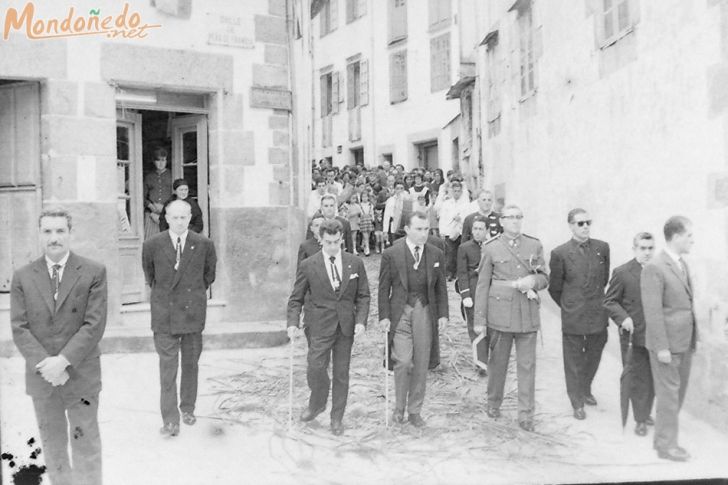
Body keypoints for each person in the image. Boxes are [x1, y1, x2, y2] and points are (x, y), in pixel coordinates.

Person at [11, 208, 107, 485]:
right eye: (48, 231)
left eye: (60, 231)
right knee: (53, 448)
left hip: (81, 375)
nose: (54, 238)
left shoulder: (93, 272)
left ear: (70, 233)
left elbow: (94, 325)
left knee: (86, 444)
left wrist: (63, 361)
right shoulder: (23, 276)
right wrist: (47, 365)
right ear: (40, 235)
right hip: (42, 377)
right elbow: (19, 327)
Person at [287, 219, 370, 436]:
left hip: (345, 326)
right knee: (315, 367)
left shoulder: (355, 263)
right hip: (319, 326)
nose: (333, 247)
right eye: (328, 242)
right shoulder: (309, 265)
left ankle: (336, 418)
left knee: (341, 374)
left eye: (336, 242)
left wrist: (361, 321)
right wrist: (293, 323)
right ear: (320, 239)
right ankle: (317, 403)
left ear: (342, 239)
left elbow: (363, 295)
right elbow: (296, 298)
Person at [142, 199, 217, 437]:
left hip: (192, 313)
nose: (179, 222)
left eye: (184, 217)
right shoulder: (152, 244)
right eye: (174, 217)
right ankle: (170, 420)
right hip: (164, 315)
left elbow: (209, 276)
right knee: (167, 369)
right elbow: (150, 276)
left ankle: (188, 408)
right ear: (166, 218)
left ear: (189, 218)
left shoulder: (203, 244)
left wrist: (192, 295)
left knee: (190, 364)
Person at [474, 205, 548, 431]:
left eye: (519, 217)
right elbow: (482, 284)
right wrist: (479, 319)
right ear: (502, 222)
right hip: (500, 314)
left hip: (526, 313)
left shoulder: (533, 245)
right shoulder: (491, 247)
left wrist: (533, 282)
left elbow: (544, 277)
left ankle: (526, 415)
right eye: (511, 218)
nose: (515, 221)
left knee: (527, 366)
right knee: (498, 364)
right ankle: (493, 403)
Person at [378, 212, 449, 427]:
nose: (423, 233)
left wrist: (444, 314)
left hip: (425, 312)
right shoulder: (391, 254)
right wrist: (384, 316)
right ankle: (399, 408)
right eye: (418, 229)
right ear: (407, 229)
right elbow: (383, 289)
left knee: (420, 363)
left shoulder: (436, 253)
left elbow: (441, 288)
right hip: (401, 312)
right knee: (403, 361)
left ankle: (414, 410)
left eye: (426, 229)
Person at [641, 216, 697, 462]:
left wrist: (695, 337)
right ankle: (666, 446)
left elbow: (685, 305)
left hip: (684, 342)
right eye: (689, 236)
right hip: (667, 346)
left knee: (677, 394)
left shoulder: (681, 263)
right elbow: (652, 312)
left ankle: (664, 440)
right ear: (675, 237)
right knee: (668, 396)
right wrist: (662, 347)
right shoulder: (655, 266)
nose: (692, 241)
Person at [548, 208, 610, 420]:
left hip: (596, 312)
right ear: (571, 226)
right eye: (580, 223)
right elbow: (554, 288)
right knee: (573, 359)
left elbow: (604, 279)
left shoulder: (602, 248)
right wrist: (569, 305)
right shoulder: (560, 253)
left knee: (594, 352)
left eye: (587, 223)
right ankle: (576, 401)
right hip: (573, 315)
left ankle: (585, 388)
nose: (585, 227)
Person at [603, 232, 656, 436]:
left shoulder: (659, 271)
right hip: (633, 334)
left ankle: (645, 411)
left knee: (652, 377)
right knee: (637, 377)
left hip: (655, 335)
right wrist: (623, 318)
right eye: (642, 248)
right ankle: (640, 419)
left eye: (650, 248)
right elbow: (609, 301)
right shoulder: (623, 272)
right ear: (634, 249)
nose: (647, 252)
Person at [456, 216, 489, 375]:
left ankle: (488, 359)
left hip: (490, 291)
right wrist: (465, 295)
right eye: (474, 229)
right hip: (473, 291)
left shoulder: (492, 247)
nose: (477, 232)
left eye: (480, 229)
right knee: (475, 327)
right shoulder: (464, 248)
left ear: (487, 231)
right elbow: (461, 273)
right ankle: (479, 362)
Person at [435, 180, 471, 280]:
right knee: (450, 253)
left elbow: (468, 217)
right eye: (454, 191)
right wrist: (442, 231)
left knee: (460, 253)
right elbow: (443, 218)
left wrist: (461, 219)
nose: (456, 193)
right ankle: (449, 273)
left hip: (461, 231)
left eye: (458, 191)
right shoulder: (446, 204)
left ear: (461, 192)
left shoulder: (465, 204)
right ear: (451, 191)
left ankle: (459, 273)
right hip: (449, 231)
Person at [143, 147, 173, 240]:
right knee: (150, 241)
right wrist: (150, 205)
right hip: (151, 214)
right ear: (153, 161)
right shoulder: (149, 177)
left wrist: (166, 207)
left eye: (163, 160)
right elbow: (142, 196)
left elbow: (176, 195)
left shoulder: (172, 175)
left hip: (169, 213)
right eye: (158, 160)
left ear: (166, 161)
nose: (160, 163)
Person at [358, 191, 375, 257]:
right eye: (363, 197)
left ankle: (363, 245)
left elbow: (372, 213)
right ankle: (367, 249)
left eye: (366, 197)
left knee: (368, 234)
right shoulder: (360, 205)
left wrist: (372, 219)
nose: (364, 198)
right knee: (365, 236)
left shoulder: (370, 205)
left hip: (369, 220)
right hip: (363, 220)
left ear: (368, 197)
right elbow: (359, 214)